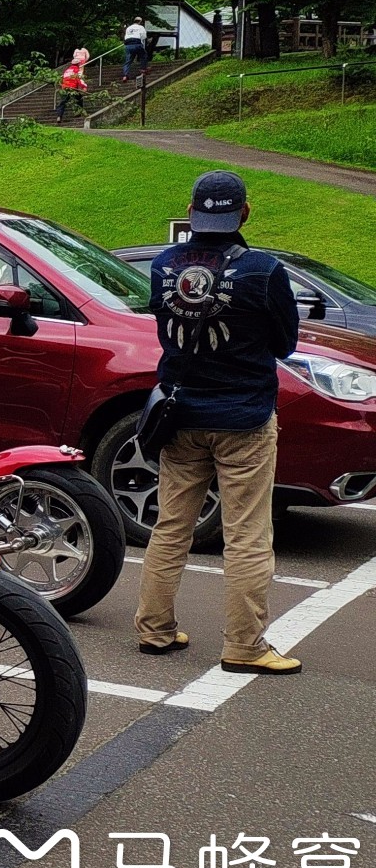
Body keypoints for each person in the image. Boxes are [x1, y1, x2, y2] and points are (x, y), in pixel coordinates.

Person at [136, 171, 303, 674]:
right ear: (244, 213)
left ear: (190, 213)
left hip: (179, 413)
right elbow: (285, 343)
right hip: (244, 417)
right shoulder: (264, 270)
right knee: (248, 534)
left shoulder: (164, 265)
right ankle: (245, 646)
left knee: (170, 527)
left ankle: (154, 630)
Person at [55, 48, 90, 121]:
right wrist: (84, 86)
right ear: (78, 64)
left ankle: (59, 116)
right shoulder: (76, 70)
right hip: (73, 88)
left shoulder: (67, 70)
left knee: (62, 102)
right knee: (79, 99)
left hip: (65, 88)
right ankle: (79, 111)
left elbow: (62, 79)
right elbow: (79, 79)